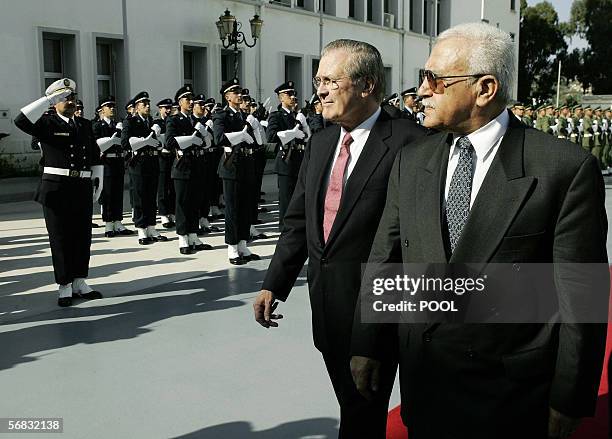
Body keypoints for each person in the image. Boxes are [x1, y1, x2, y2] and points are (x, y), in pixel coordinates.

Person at [349, 22, 608, 439]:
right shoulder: (411, 161)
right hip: (426, 385)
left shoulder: (563, 168)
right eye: (421, 77)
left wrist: (570, 396)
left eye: (434, 79)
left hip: (511, 397)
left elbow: (580, 295)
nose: (421, 91)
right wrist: (368, 344)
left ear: (485, 88)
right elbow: (386, 256)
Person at [253, 39, 426, 438]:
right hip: (328, 310)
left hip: (380, 316)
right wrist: (273, 284)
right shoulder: (321, 142)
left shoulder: (410, 143)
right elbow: (298, 222)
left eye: (332, 79)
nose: (321, 89)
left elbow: (409, 246)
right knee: (352, 408)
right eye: (318, 80)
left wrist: (375, 331)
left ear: (367, 85)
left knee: (362, 417)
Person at [14, 78, 104, 307]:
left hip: (81, 187)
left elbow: (93, 154)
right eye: (65, 98)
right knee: (60, 237)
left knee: (82, 237)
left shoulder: (84, 125)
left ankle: (79, 281)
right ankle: (64, 284)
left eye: (72, 97)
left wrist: (98, 178)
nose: (71, 101)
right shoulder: (46, 123)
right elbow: (20, 120)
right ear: (55, 102)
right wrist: (47, 99)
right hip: (56, 188)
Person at [212, 78, 260, 265]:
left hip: (246, 163)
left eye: (240, 92)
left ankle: (242, 244)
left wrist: (254, 128)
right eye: (236, 92)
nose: (240, 95)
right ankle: (232, 247)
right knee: (232, 208)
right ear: (227, 97)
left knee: (246, 206)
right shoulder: (221, 116)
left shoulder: (242, 116)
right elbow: (218, 138)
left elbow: (258, 143)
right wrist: (241, 134)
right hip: (231, 165)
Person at [166, 86, 213, 254]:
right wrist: (191, 139)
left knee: (195, 202)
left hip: (197, 165)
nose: (191, 102)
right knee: (183, 203)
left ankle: (193, 234)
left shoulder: (195, 120)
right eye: (188, 99)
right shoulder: (174, 120)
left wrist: (205, 134)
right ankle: (183, 238)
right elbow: (169, 142)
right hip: (182, 166)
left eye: (192, 99)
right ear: (180, 102)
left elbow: (207, 143)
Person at [121, 91, 167, 245]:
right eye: (144, 104)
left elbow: (160, 143)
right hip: (138, 162)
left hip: (152, 161)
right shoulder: (130, 122)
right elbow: (125, 143)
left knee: (150, 195)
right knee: (140, 196)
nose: (147, 106)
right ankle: (141, 228)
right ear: (136, 107)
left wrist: (158, 140)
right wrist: (145, 140)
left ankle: (151, 226)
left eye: (148, 104)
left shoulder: (151, 123)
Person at [266, 80, 308, 230]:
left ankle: (296, 227)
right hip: (286, 161)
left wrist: (304, 125)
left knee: (299, 198)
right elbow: (270, 136)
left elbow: (306, 137)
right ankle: (285, 229)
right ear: (280, 98)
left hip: (300, 160)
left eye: (294, 94)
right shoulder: (276, 115)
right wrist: (291, 133)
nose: (293, 97)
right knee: (286, 199)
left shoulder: (298, 116)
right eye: (288, 94)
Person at [92, 95, 134, 238]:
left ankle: (118, 221)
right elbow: (96, 144)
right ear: (102, 110)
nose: (111, 109)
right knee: (108, 194)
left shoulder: (118, 124)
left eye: (113, 106)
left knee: (118, 193)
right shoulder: (98, 126)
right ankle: (108, 223)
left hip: (118, 162)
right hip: (107, 163)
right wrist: (113, 138)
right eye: (108, 107)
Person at [153, 98, 176, 229]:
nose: (168, 110)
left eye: (169, 108)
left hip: (173, 156)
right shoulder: (157, 123)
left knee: (172, 186)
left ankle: (172, 211)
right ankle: (163, 213)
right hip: (162, 156)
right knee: (162, 186)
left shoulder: (173, 121)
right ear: (160, 109)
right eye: (165, 108)